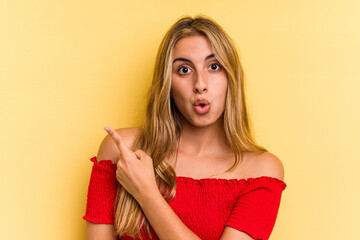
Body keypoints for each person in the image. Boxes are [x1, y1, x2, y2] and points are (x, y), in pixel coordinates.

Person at [83, 15, 286, 240]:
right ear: (167, 84)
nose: (200, 84)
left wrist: (147, 193)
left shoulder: (260, 171)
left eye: (214, 66)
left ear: (231, 78)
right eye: (184, 70)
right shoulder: (123, 150)